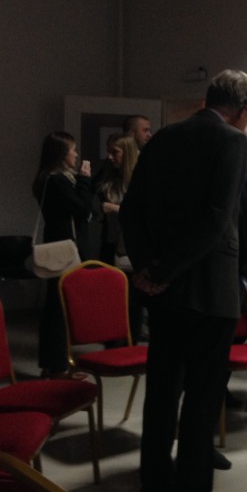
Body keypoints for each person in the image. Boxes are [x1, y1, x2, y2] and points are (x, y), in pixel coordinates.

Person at [119, 69, 247, 492]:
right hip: (209, 290)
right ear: (242, 109)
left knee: (161, 393)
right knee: (201, 399)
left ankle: (154, 489)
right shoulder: (232, 141)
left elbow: (132, 209)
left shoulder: (163, 137)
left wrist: (148, 269)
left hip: (164, 290)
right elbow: (217, 220)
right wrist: (166, 271)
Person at [32, 131, 93, 377]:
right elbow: (83, 208)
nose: (76, 155)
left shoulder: (47, 178)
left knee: (55, 306)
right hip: (64, 247)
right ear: (61, 154)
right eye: (73, 150)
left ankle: (53, 364)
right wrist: (85, 180)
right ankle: (57, 366)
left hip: (56, 243)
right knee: (59, 308)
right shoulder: (57, 181)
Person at [94, 132, 144, 342]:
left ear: (128, 153)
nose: (110, 157)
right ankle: (113, 342)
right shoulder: (109, 177)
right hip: (110, 243)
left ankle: (130, 343)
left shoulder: (141, 179)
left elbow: (146, 214)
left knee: (132, 300)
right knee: (111, 297)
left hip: (132, 247)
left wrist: (117, 209)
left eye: (115, 152)